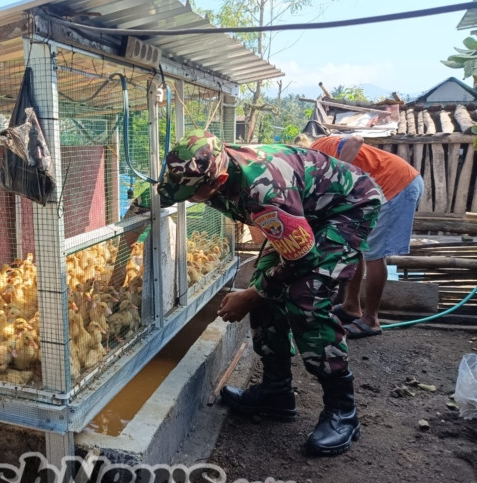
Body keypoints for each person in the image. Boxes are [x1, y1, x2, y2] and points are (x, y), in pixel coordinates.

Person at [156, 130, 384, 456]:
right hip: (301, 212)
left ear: (220, 180)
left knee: (306, 298)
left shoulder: (264, 192)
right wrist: (126, 241)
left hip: (346, 208)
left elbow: (302, 258)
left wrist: (252, 295)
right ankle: (276, 393)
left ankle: (343, 411)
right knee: (265, 284)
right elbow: (159, 194)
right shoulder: (195, 168)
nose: (189, 198)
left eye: (194, 194)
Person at [294, 133, 423, 339]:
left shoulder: (320, 147)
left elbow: (356, 140)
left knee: (374, 254)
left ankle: (371, 319)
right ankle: (351, 306)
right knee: (356, 246)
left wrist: (337, 177)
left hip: (394, 185)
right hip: (378, 190)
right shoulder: (316, 166)